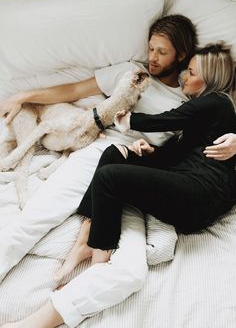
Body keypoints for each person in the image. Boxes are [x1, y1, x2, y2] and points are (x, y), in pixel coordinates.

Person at [2, 42, 235, 328]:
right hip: (119, 158)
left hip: (186, 190)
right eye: (150, 47)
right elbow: (74, 91)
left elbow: (168, 123)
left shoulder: (213, 103)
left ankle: (96, 256)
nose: (152, 57)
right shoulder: (129, 72)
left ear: (181, 55)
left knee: (111, 182)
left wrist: (128, 121)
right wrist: (23, 96)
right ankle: (86, 236)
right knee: (102, 166)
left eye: (163, 52)